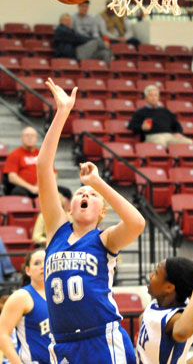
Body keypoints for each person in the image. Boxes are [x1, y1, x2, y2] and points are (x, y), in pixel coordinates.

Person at [36, 77, 145, 364]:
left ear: (101, 212)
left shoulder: (104, 239)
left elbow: (137, 223)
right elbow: (43, 166)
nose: (85, 194)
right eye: (80, 192)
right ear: (69, 208)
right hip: (63, 342)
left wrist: (98, 181)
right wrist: (62, 113)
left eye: (92, 196)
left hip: (101, 338)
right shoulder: (56, 230)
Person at [0, 248, 51, 364]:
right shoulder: (21, 297)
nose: (42, 266)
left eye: (46, 261)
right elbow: (2, 334)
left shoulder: (59, 295)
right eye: (37, 263)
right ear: (27, 270)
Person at [3, 126, 72, 200]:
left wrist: (40, 186)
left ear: (36, 138)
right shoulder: (14, 154)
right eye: (27, 135)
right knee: (17, 192)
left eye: (32, 135)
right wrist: (31, 188)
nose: (29, 138)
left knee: (66, 192)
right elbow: (12, 177)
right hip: (24, 188)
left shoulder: (42, 154)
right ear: (21, 138)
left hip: (42, 187)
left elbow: (53, 173)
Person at [127, 84, 193, 146]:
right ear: (146, 98)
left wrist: (178, 132)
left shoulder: (165, 111)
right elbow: (131, 126)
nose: (153, 98)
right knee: (160, 142)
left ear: (158, 97)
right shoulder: (140, 112)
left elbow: (176, 125)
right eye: (151, 95)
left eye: (155, 95)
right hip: (153, 136)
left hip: (169, 136)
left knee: (189, 142)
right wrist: (141, 127)